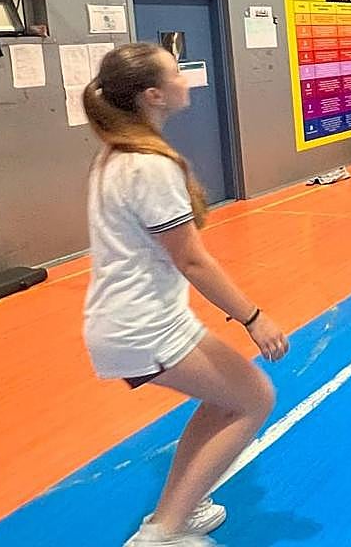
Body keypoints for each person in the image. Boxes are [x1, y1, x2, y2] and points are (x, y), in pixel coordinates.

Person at [83, 43, 289, 547]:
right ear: (154, 94)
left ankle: (176, 512)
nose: (187, 78)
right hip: (140, 326)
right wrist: (253, 317)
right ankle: (163, 536)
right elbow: (191, 259)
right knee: (254, 399)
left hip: (153, 318)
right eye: (177, 72)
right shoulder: (147, 166)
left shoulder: (122, 154)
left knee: (228, 400)